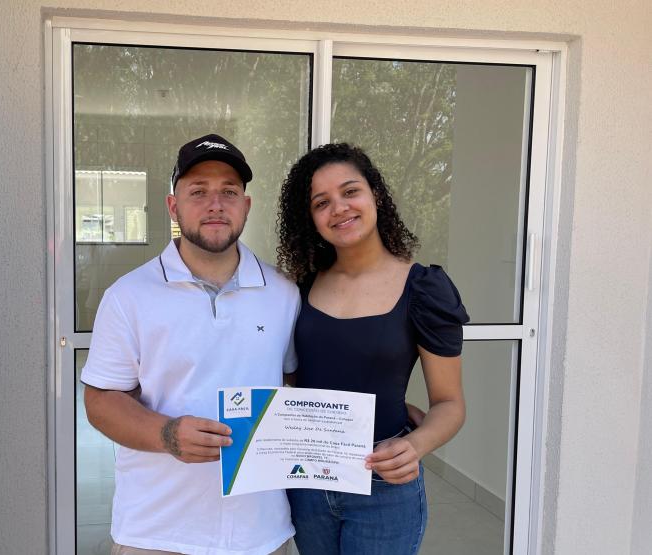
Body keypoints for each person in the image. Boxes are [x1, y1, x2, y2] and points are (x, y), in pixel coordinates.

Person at [82, 134, 299, 555]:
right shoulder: (129, 295)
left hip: (260, 531)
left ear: (246, 206)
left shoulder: (283, 293)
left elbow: (300, 382)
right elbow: (101, 400)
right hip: (156, 532)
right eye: (198, 191)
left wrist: (387, 409)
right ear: (173, 206)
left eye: (229, 192)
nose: (215, 204)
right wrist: (166, 435)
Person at [276, 143, 469, 554]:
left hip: (384, 484)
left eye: (350, 192)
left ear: (375, 195)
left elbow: (450, 404)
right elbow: (293, 377)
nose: (339, 209)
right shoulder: (300, 286)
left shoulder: (423, 289)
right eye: (321, 202)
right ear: (309, 218)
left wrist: (415, 444)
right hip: (309, 479)